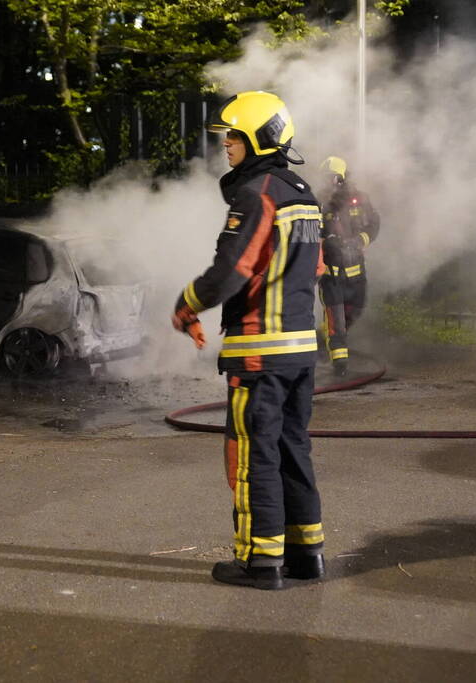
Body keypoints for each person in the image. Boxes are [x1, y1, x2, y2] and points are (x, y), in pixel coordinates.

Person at [171, 91, 325, 590]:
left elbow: (231, 270)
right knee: (292, 449)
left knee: (253, 455)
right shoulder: (303, 193)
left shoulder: (258, 191)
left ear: (259, 137)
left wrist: (187, 303)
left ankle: (259, 563)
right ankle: (307, 555)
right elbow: (315, 269)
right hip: (301, 350)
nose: (226, 145)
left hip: (259, 352)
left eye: (233, 136)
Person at [316, 156, 380, 377]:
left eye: (331, 178)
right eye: (325, 178)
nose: (328, 183)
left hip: (356, 271)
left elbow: (374, 223)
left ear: (342, 178)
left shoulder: (360, 199)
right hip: (330, 273)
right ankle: (339, 365)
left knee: (357, 308)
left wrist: (360, 240)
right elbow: (310, 231)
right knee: (336, 320)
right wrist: (327, 241)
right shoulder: (319, 202)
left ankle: (326, 339)